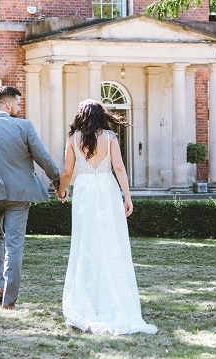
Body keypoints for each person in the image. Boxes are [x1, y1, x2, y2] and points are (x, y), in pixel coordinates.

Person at [57, 99, 157, 335]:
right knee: (110, 239)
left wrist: (61, 190)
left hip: (83, 191)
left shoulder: (73, 138)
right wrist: (128, 196)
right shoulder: (110, 137)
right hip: (106, 188)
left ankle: (87, 297)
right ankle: (110, 295)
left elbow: (67, 172)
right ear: (100, 115)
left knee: (85, 241)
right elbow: (119, 168)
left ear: (81, 115)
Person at [0, 86, 61, 310]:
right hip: (19, 195)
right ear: (8, 104)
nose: (19, 108)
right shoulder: (24, 126)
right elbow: (43, 157)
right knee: (15, 245)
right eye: (18, 104)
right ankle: (8, 301)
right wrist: (57, 180)